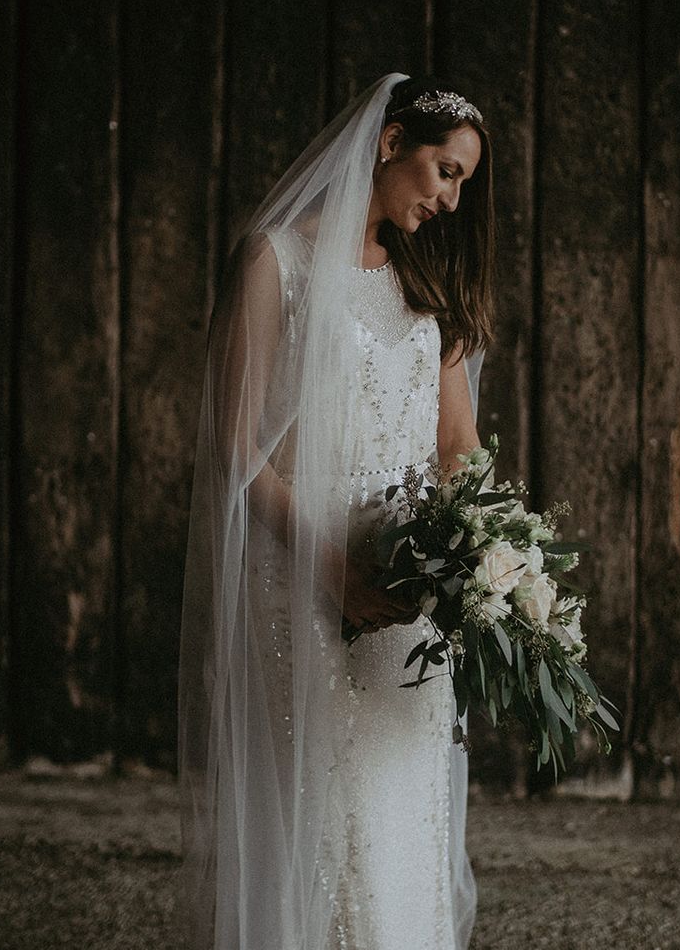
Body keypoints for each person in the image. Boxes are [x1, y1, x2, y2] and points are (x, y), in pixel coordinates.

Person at [178, 73, 496, 950]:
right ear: (390, 143)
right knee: (324, 818)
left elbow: (457, 438)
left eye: (464, 181)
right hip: (305, 577)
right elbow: (237, 448)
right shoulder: (275, 260)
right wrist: (334, 572)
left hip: (408, 587)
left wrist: (490, 554)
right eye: (444, 169)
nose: (451, 197)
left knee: (401, 808)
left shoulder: (424, 281)